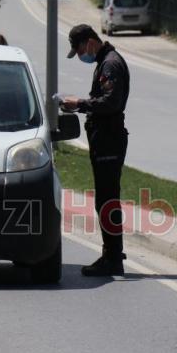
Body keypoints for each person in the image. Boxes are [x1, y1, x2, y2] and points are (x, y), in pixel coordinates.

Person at [61, 24, 130, 276]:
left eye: (80, 50)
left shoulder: (110, 64)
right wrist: (79, 106)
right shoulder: (104, 62)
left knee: (107, 199)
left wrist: (80, 103)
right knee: (105, 198)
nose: (81, 55)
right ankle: (112, 252)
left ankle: (113, 258)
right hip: (105, 138)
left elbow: (112, 102)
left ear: (90, 43)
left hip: (109, 139)